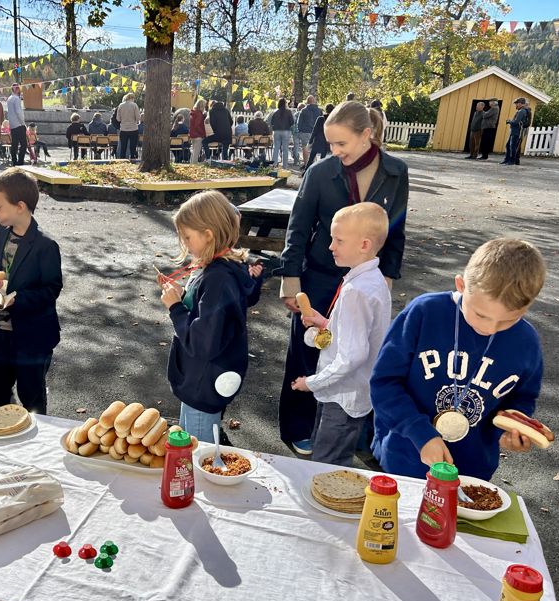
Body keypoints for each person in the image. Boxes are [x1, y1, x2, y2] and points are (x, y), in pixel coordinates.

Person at [276, 100, 408, 455]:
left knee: (360, 353)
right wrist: (291, 280)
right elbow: (298, 227)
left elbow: (396, 230)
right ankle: (300, 425)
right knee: (310, 349)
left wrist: (387, 278)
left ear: (366, 134)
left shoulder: (395, 172)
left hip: (366, 276)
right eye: (330, 143)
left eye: (341, 143)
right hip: (321, 275)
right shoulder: (320, 172)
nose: (334, 151)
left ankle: (353, 426)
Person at [371, 239, 547, 481]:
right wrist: (420, 433)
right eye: (481, 315)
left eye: (508, 321)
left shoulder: (526, 341)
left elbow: (523, 398)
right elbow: (384, 383)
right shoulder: (424, 313)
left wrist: (511, 429)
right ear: (461, 285)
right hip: (406, 457)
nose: (490, 328)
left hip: (472, 469)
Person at [290, 203, 391, 467]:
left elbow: (352, 356)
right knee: (326, 455)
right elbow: (358, 332)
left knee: (327, 464)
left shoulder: (356, 291)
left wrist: (312, 382)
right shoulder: (373, 279)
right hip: (345, 391)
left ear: (364, 245)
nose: (330, 246)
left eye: (339, 240)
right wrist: (325, 323)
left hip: (342, 394)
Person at [159, 191, 263, 443]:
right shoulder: (220, 269)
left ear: (208, 235)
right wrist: (183, 296)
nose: (184, 243)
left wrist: (175, 307)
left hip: (203, 383)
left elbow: (203, 341)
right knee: (187, 444)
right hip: (203, 379)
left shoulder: (218, 278)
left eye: (187, 237)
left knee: (198, 451)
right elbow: (210, 314)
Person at [0, 169, 62, 414]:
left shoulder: (46, 245)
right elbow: (0, 264)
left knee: (32, 398)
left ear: (20, 206)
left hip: (32, 336)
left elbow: (52, 289)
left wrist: (16, 299)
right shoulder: (2, 231)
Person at [304, 103, 334, 170]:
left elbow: (314, 130)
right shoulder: (333, 120)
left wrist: (310, 141)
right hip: (326, 142)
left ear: (326, 110)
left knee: (311, 159)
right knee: (322, 160)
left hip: (317, 140)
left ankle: (305, 172)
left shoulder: (320, 119)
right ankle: (320, 172)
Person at [503, 97, 531, 166]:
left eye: (517, 103)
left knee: (512, 147)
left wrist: (509, 121)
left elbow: (516, 122)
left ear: (521, 104)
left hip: (517, 131)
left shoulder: (521, 111)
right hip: (514, 131)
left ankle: (511, 161)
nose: (516, 105)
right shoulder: (521, 111)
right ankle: (507, 160)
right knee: (508, 145)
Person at [297, 95, 322, 166]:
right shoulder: (319, 110)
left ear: (307, 102)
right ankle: (314, 164)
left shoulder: (303, 110)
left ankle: (306, 164)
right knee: (314, 148)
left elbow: (299, 122)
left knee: (305, 148)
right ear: (314, 101)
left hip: (305, 132)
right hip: (316, 132)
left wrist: (300, 130)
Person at [7, 84, 27, 166]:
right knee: (23, 144)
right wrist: (23, 123)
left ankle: (14, 161)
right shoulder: (16, 99)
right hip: (19, 124)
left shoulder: (9, 98)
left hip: (12, 124)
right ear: (17, 89)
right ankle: (20, 161)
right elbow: (18, 112)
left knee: (14, 144)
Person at [116, 93, 141, 160]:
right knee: (133, 147)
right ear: (132, 98)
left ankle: (122, 160)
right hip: (133, 129)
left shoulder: (121, 105)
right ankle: (132, 159)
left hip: (123, 129)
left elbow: (118, 119)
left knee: (123, 147)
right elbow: (138, 118)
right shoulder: (134, 105)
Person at [269, 100, 294, 169]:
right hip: (286, 131)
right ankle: (285, 165)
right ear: (285, 104)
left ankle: (274, 164)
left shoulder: (275, 112)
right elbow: (292, 122)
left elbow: (271, 122)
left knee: (276, 148)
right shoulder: (288, 112)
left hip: (276, 131)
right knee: (285, 149)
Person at [189, 98, 207, 164]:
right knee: (196, 152)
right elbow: (197, 125)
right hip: (198, 135)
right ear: (202, 106)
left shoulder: (193, 113)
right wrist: (202, 133)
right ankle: (194, 165)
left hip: (192, 134)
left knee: (193, 152)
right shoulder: (199, 114)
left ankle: (191, 164)